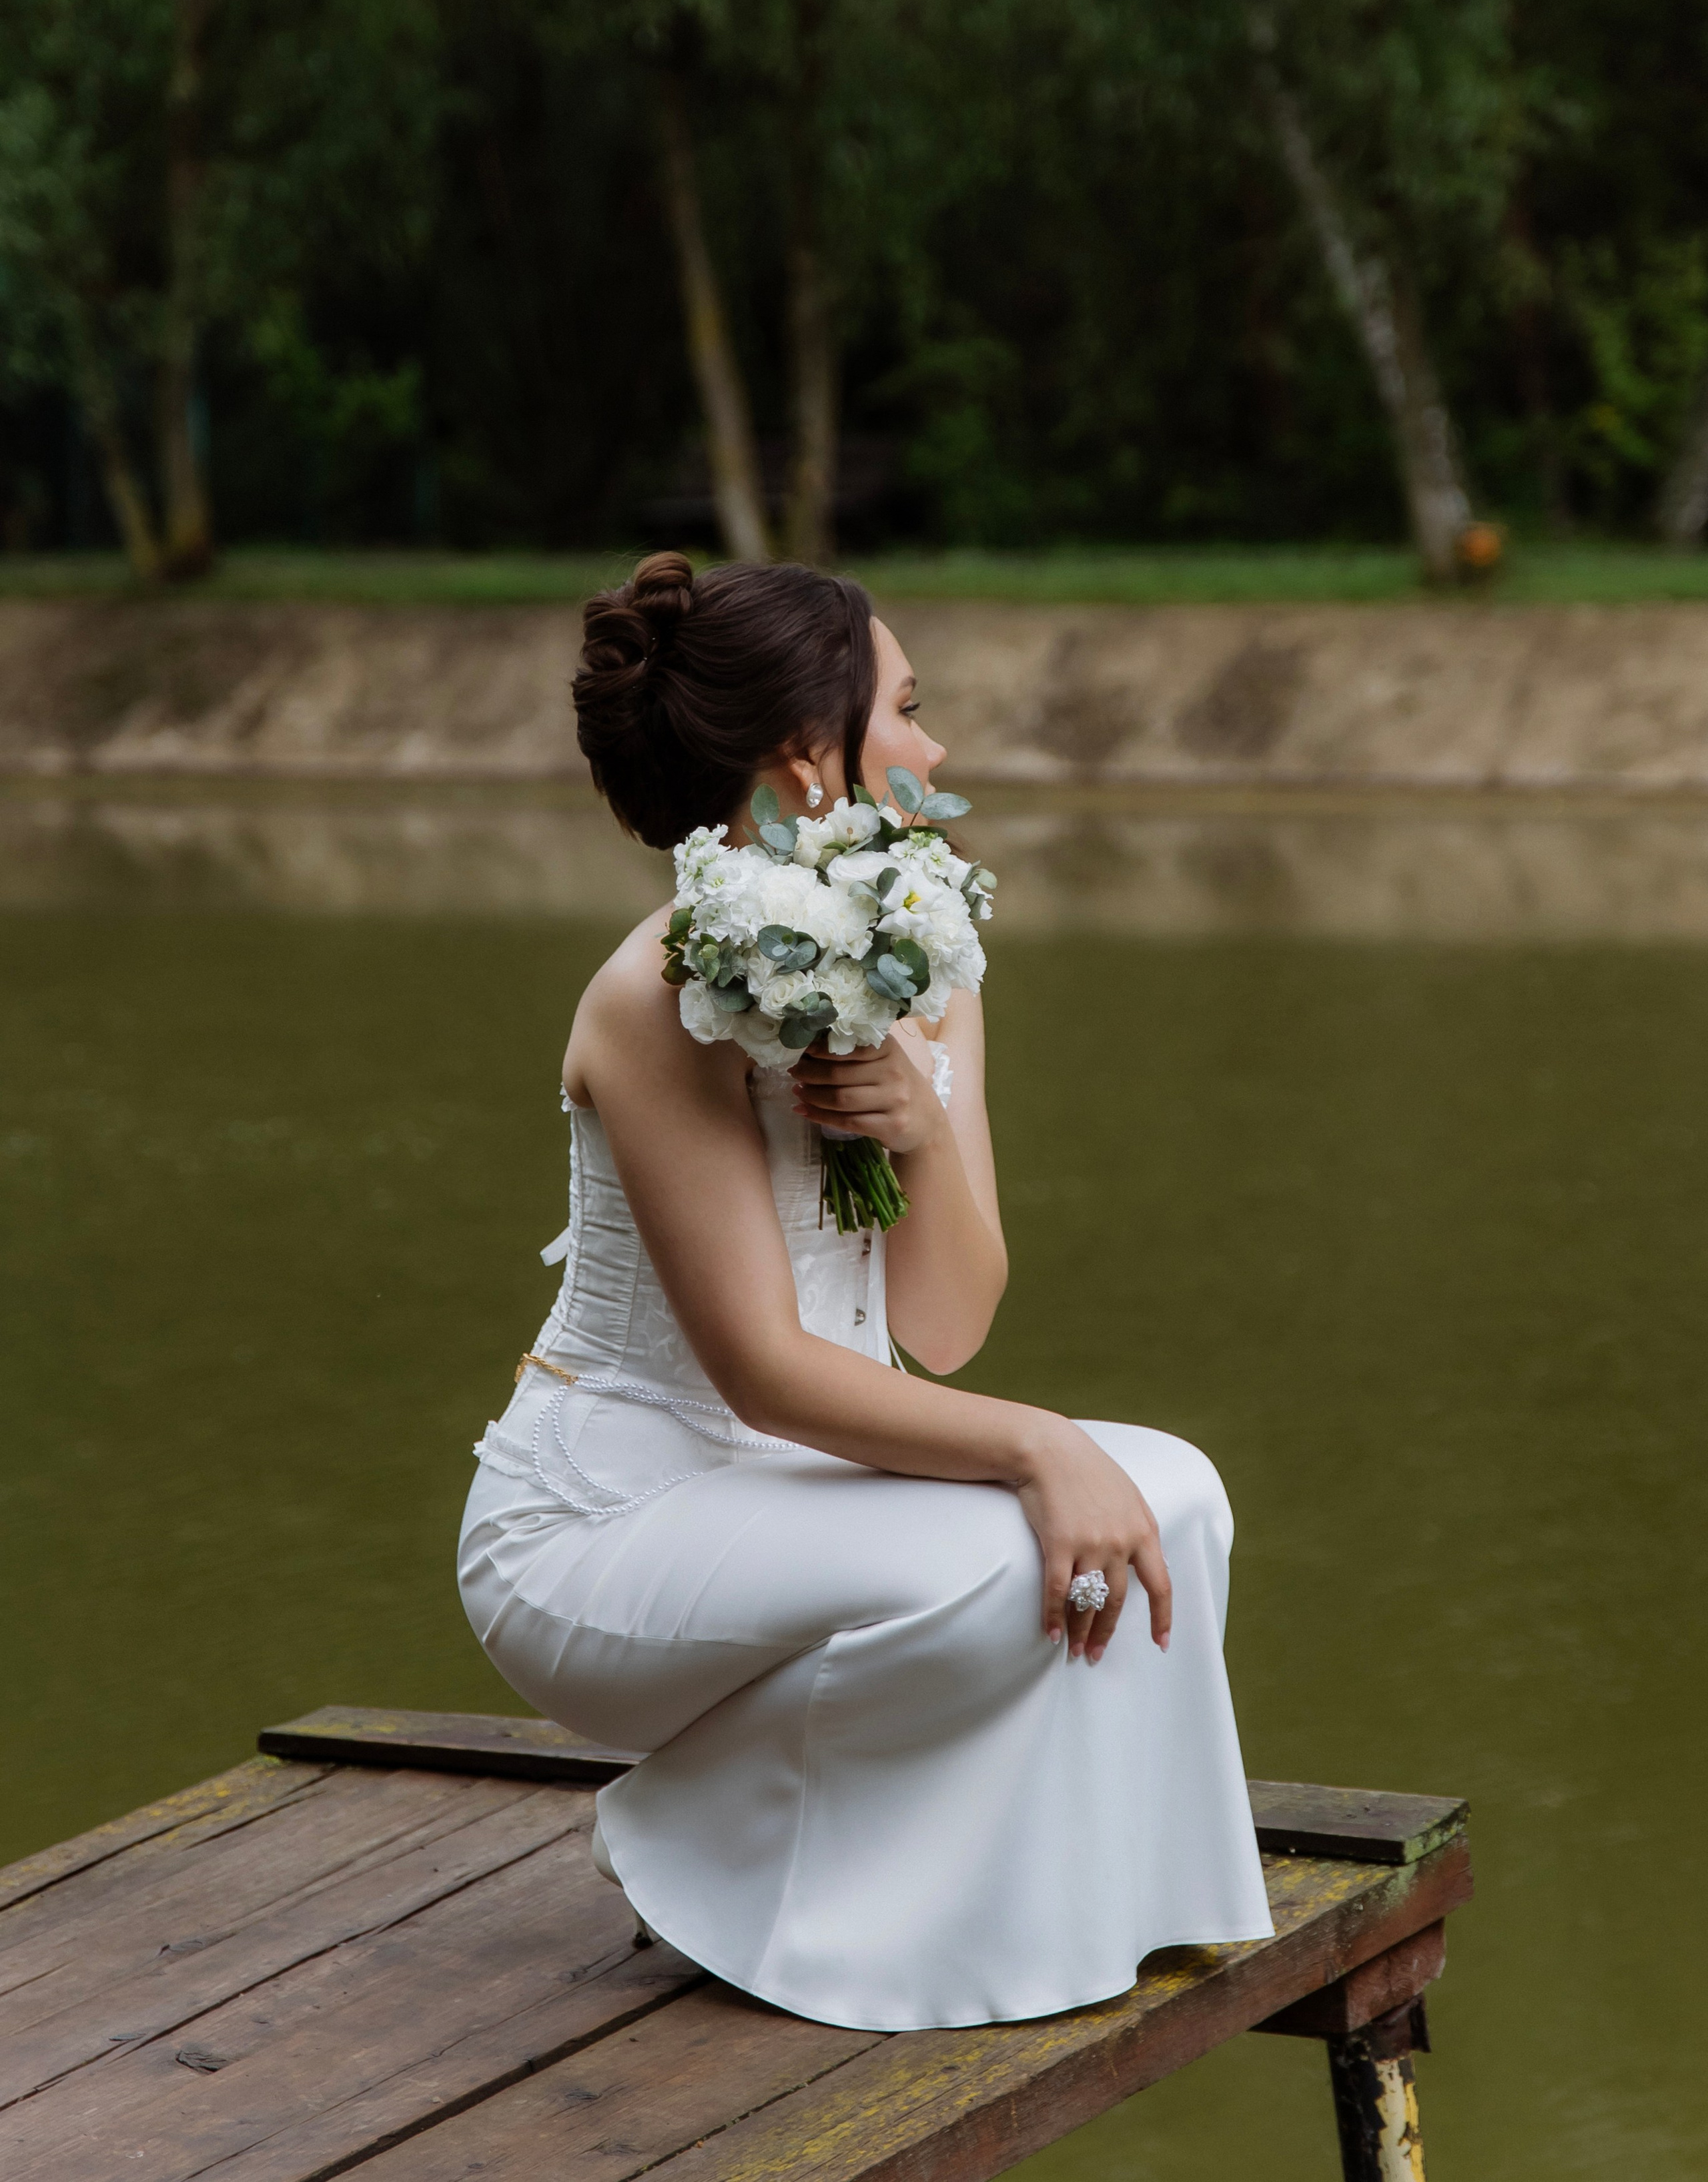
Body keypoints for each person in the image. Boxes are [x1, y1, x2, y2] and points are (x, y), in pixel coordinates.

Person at [458, 551, 1271, 2033]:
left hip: (805, 1496)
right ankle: (691, 1832)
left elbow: (942, 1331)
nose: (935, 749)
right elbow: (764, 1374)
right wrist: (1039, 1445)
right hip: (605, 1526)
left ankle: (1091, 1909)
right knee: (1009, 1551)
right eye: (906, 707)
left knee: (1181, 1498)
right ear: (803, 754)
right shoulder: (657, 997)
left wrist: (917, 1128)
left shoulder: (923, 951)